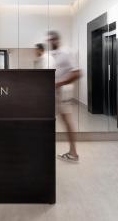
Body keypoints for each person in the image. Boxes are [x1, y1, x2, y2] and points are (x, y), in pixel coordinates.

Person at [48, 30, 81, 162]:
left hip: (63, 94)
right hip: (56, 94)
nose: (50, 42)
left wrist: (59, 84)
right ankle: (73, 152)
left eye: (51, 39)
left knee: (67, 122)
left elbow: (77, 73)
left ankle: (73, 153)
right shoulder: (54, 55)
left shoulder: (66, 52)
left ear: (57, 40)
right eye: (48, 40)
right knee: (64, 121)